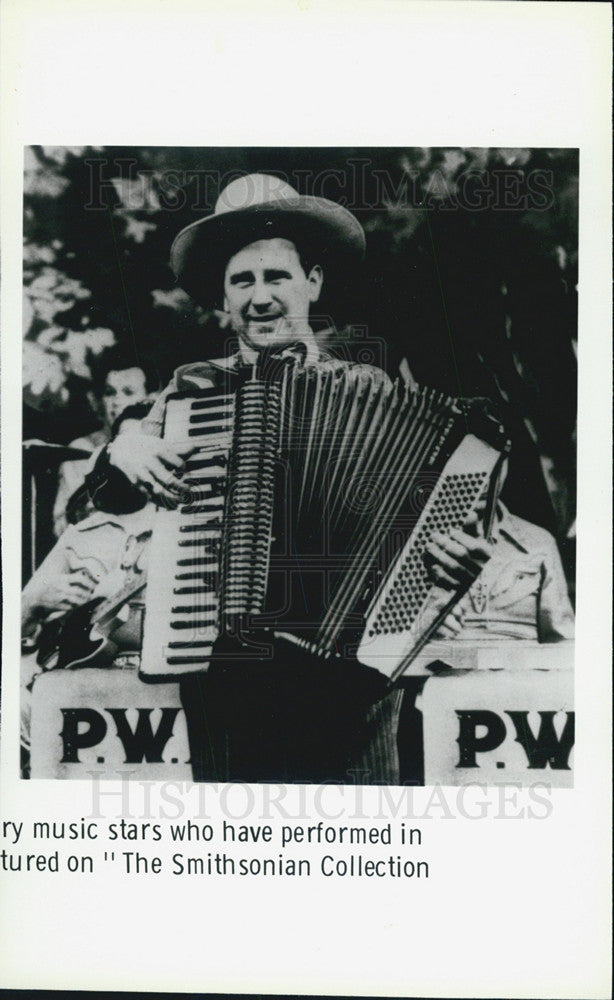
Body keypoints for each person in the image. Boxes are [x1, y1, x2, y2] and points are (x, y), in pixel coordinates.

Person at [84, 173, 493, 784]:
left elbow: (445, 542)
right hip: (228, 687)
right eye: (241, 281)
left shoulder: (376, 394)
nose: (260, 296)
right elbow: (109, 493)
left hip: (353, 694)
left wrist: (452, 563)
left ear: (313, 282)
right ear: (223, 297)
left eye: (277, 276)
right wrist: (123, 446)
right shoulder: (193, 391)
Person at [21, 404, 155, 775]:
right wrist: (35, 602)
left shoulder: (192, 532)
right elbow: (14, 624)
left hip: (156, 684)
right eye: (125, 447)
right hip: (76, 682)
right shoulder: (81, 533)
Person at [52, 350, 156, 536]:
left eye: (128, 392)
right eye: (109, 393)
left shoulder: (161, 443)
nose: (117, 401)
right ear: (99, 401)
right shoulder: (81, 449)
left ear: (150, 398)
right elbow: (62, 527)